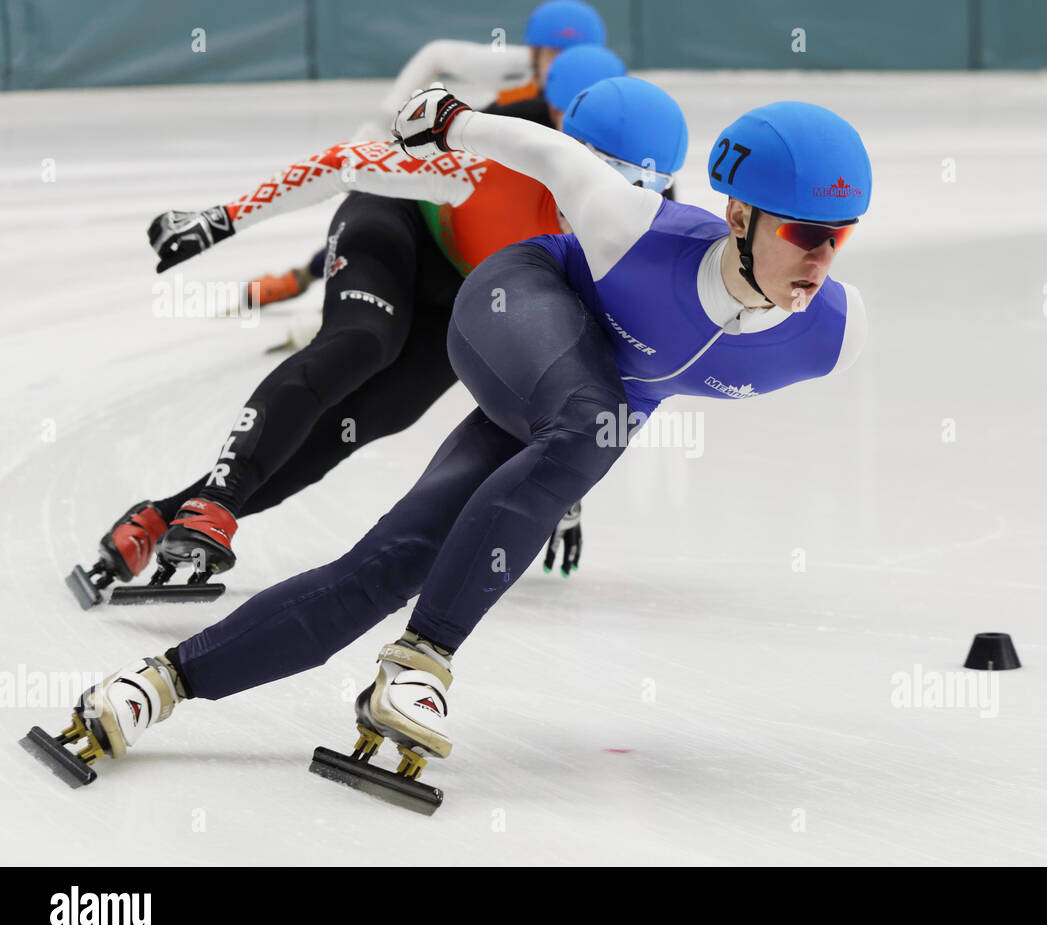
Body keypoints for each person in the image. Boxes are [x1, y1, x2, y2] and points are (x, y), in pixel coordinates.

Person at [37, 81, 866, 802]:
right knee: (587, 418)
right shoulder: (630, 225)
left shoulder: (830, 334)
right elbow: (549, 154)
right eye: (804, 234)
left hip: (566, 407)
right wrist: (450, 117)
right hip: (514, 305)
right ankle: (420, 665)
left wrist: (552, 487)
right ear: (740, 215)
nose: (822, 259)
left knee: (392, 562)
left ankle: (153, 687)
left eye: (844, 234)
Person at [68, 57, 648, 610]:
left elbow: (586, 367)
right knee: (363, 341)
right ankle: (215, 502)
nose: (598, 207)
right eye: (591, 179)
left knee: (370, 420)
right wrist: (219, 219)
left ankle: (161, 518)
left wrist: (565, 485)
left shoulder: (635, 241)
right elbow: (344, 163)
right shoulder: (495, 172)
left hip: (467, 293)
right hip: (393, 228)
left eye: (628, 191)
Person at [249, 0, 607, 307]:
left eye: (575, 57)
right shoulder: (514, 74)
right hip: (485, 144)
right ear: (533, 54)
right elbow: (437, 55)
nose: (563, 66)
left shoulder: (595, 91)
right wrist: (386, 121)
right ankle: (312, 274)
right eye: (554, 54)